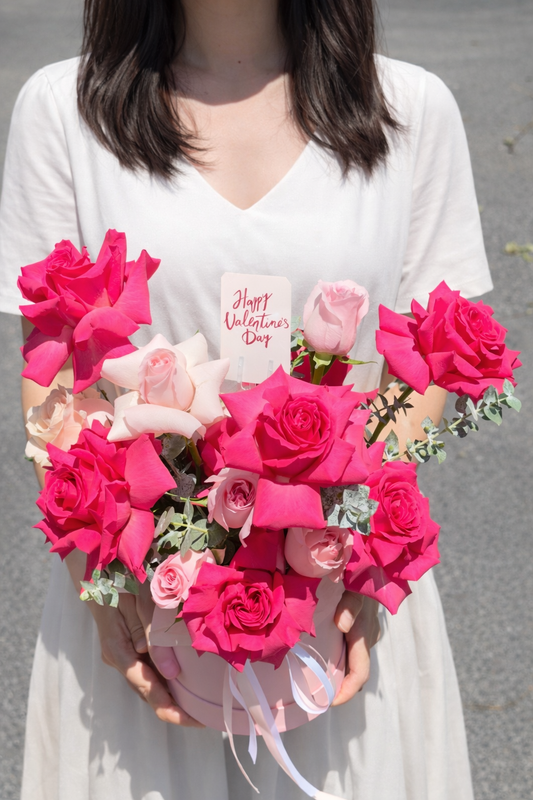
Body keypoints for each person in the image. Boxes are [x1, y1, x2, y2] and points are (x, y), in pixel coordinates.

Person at [0, 1, 493, 798]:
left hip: (338, 608)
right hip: (142, 613)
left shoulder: (408, 111)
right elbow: (56, 374)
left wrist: (354, 561)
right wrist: (109, 587)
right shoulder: (67, 111)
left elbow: (427, 366)